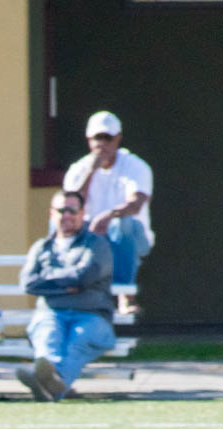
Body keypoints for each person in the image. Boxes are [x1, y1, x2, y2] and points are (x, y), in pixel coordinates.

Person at [15, 191, 115, 402]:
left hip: (92, 316)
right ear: (52, 214)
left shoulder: (97, 244)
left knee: (77, 341)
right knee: (48, 339)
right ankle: (52, 384)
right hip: (51, 313)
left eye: (72, 210)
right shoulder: (42, 247)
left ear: (82, 213)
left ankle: (46, 383)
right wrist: (68, 287)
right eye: (61, 210)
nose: (66, 215)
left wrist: (50, 282)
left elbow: (85, 276)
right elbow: (28, 283)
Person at [63, 111, 153, 316]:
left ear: (118, 139)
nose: (102, 144)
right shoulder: (78, 169)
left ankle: (125, 295)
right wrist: (91, 172)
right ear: (89, 140)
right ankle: (68, 290)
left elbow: (136, 203)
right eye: (97, 138)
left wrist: (109, 215)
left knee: (122, 224)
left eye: (108, 138)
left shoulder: (135, 166)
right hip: (91, 235)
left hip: (132, 236)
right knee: (61, 223)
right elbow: (71, 207)